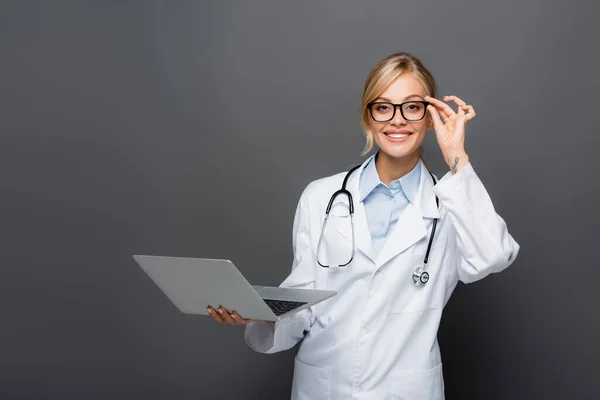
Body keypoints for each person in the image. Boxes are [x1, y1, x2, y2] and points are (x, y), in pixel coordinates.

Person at [207, 52, 520, 400]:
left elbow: (492, 255)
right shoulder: (321, 197)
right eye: (383, 107)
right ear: (368, 116)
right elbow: (304, 300)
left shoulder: (452, 202)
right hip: (324, 388)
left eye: (412, 107)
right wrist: (259, 314)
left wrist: (456, 158)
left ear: (430, 117)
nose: (397, 120)